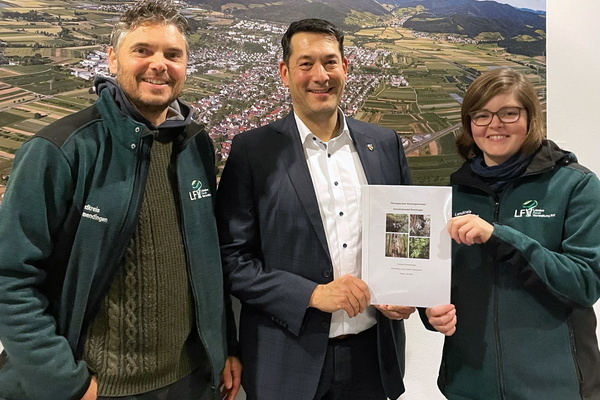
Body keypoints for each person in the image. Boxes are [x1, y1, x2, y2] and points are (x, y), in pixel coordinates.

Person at [0, 1, 241, 399]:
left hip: (191, 379)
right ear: (113, 58)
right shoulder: (62, 150)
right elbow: (9, 276)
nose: (159, 64)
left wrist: (225, 348)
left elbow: (208, 263)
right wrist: (64, 382)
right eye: (142, 50)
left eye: (173, 54)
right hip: (99, 386)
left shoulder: (196, 147)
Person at [216, 18, 418, 400]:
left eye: (330, 61)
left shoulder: (384, 143)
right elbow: (231, 260)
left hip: (374, 357)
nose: (320, 75)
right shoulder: (252, 151)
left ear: (346, 66)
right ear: (284, 72)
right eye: (306, 63)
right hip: (287, 360)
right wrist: (311, 295)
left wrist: (407, 292)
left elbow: (405, 236)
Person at [427, 68, 600, 399]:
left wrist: (500, 237)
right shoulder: (453, 192)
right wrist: (430, 312)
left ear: (530, 118)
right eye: (482, 115)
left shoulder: (576, 185)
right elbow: (442, 280)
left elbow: (585, 282)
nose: (494, 125)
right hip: (468, 387)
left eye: (508, 113)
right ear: (469, 124)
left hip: (556, 388)